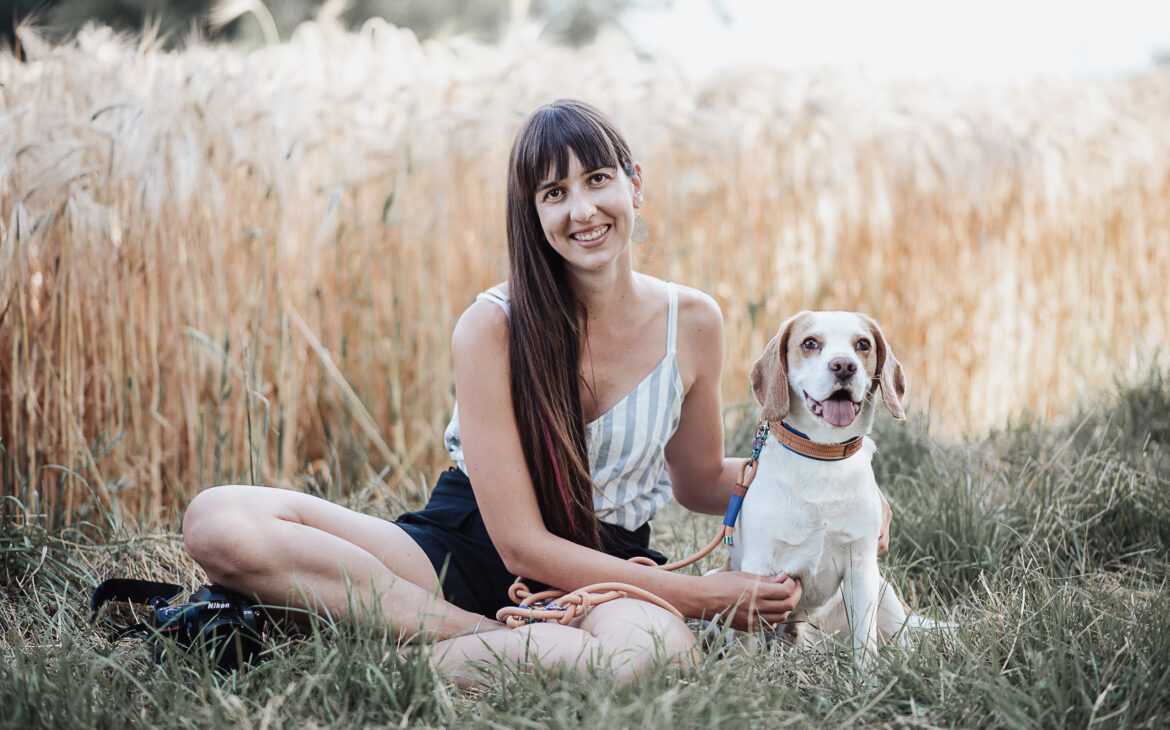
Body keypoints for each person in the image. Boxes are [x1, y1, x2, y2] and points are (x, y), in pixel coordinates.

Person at [182, 99, 812, 686]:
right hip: (459, 552)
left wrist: (832, 484)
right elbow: (518, 544)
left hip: (602, 574)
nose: (583, 210)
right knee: (218, 520)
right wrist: (697, 596)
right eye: (555, 192)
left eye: (597, 179)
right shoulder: (492, 325)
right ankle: (477, 638)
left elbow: (699, 481)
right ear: (534, 214)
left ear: (634, 185)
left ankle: (389, 642)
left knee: (654, 657)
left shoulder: (693, 321)